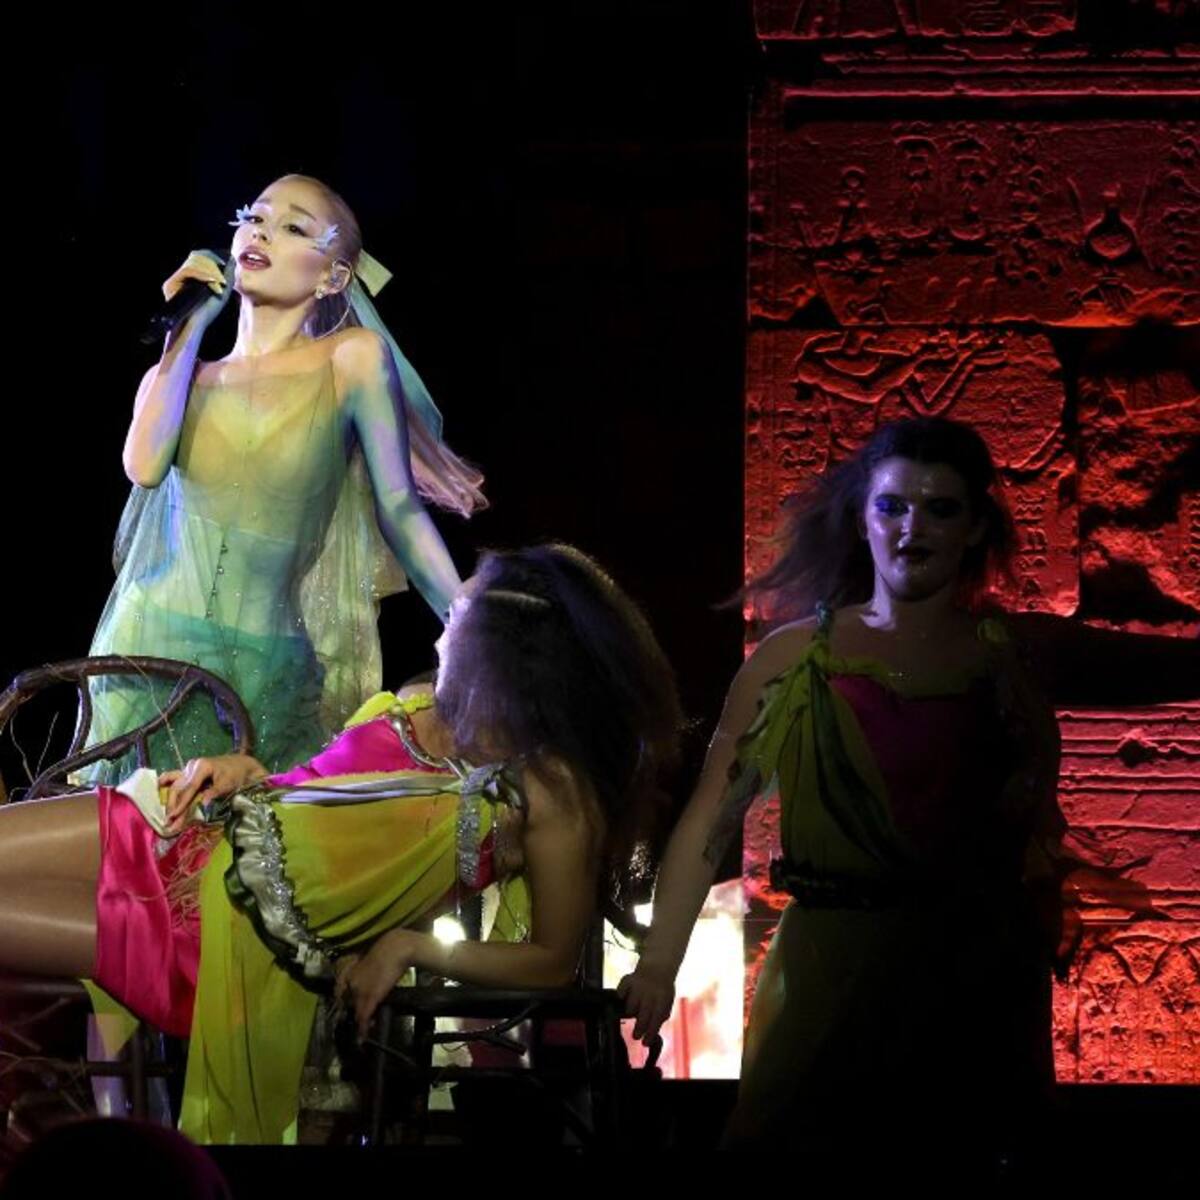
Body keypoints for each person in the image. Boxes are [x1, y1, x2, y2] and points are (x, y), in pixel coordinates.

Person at [618, 417, 1199, 1166]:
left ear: (974, 528)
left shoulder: (1014, 654)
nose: (911, 527)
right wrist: (659, 963)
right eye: (892, 506)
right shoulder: (793, 660)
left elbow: (1162, 667)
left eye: (940, 509)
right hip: (833, 970)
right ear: (861, 519)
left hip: (973, 976)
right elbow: (712, 816)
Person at [0, 545, 681, 1144]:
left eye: (458, 623)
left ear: (504, 661)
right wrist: (249, 771)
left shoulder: (551, 791)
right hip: (182, 830)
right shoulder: (419, 702)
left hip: (214, 940)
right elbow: (320, 803)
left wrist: (412, 946)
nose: (442, 632)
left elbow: (551, 962)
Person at [85, 173, 484, 781]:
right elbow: (142, 467)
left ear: (334, 277)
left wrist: (467, 625)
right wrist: (187, 328)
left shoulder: (351, 359)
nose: (262, 233)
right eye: (254, 217)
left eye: (293, 227)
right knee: (130, 832)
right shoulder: (181, 378)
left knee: (246, 833)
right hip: (146, 650)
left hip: (264, 670)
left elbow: (399, 508)